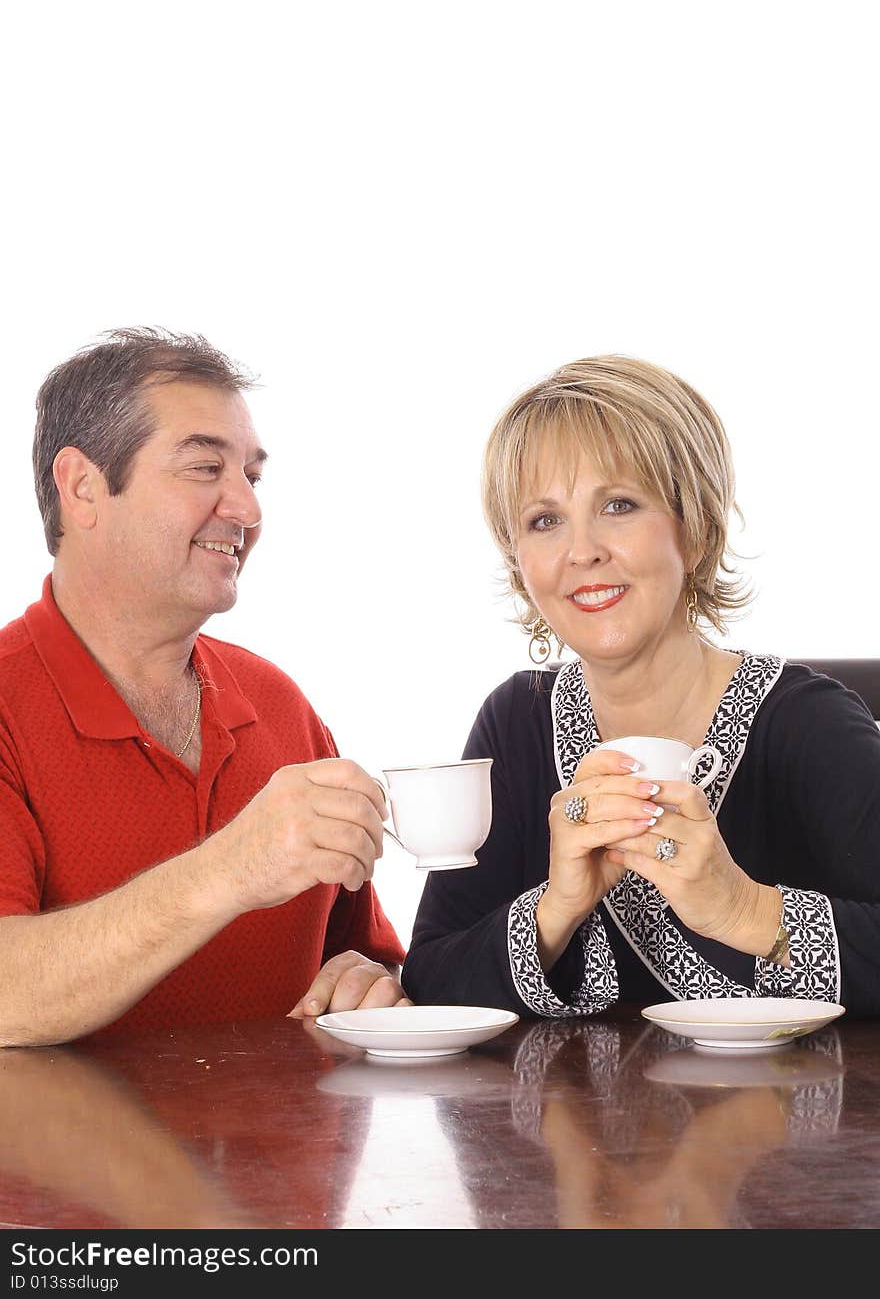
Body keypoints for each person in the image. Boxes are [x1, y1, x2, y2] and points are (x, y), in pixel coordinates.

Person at [402, 355, 880, 1017]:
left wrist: (747, 910)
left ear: (697, 528)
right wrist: (557, 906)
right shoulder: (516, 723)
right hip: (568, 1122)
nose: (582, 551)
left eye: (618, 505)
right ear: (520, 564)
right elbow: (429, 976)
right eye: (545, 520)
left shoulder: (807, 724)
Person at [0, 328, 406, 1047]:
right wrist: (233, 867)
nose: (247, 510)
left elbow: (369, 960)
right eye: (203, 468)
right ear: (83, 487)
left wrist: (374, 983)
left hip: (286, 1160)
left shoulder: (278, 704)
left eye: (252, 474)